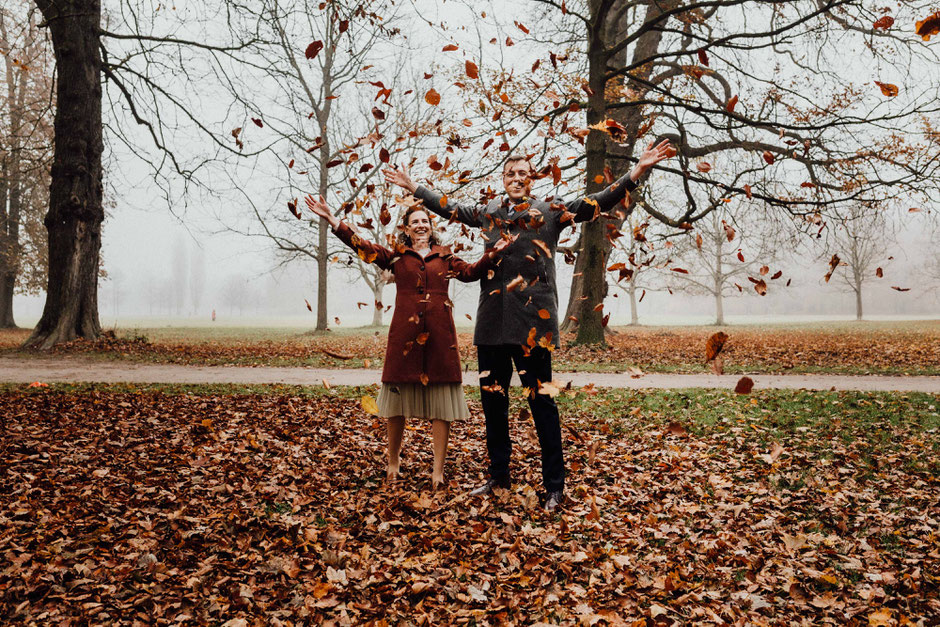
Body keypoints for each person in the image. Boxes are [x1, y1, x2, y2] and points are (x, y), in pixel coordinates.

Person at [383, 140, 673, 510]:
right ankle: (498, 476)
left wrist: (636, 172)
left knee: (543, 406)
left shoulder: (550, 210)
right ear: (503, 179)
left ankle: (554, 486)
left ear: (531, 179)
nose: (516, 178)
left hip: (533, 327)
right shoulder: (489, 212)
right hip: (491, 326)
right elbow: (451, 208)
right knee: (493, 405)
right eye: (510, 174)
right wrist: (415, 189)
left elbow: (594, 203)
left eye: (522, 173)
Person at [305, 195, 513, 491]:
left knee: (442, 406)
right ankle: (393, 461)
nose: (420, 226)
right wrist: (333, 220)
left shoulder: (446, 258)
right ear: (405, 228)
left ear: (431, 227)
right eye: (414, 222)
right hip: (404, 337)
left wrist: (493, 254)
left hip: (441, 338)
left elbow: (471, 273)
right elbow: (362, 247)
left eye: (424, 222)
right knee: (396, 403)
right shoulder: (395, 257)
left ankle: (437, 471)